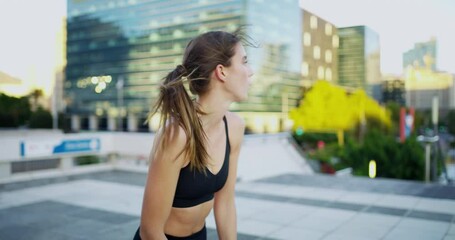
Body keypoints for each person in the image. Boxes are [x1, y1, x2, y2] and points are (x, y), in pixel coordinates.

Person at [133, 30, 254, 240]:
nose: (250, 71)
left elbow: (225, 202)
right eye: (244, 62)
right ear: (221, 72)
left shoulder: (234, 127)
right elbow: (150, 230)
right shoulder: (178, 135)